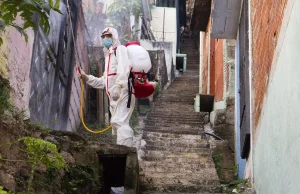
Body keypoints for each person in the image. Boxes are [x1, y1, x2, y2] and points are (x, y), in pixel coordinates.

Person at [77, 27, 136, 147]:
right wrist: (86, 77)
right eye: (103, 37)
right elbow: (104, 82)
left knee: (119, 122)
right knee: (115, 126)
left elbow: (124, 69)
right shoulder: (108, 57)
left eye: (108, 36)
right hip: (114, 97)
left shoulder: (120, 49)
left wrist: (119, 86)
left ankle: (126, 152)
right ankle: (119, 151)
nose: (105, 39)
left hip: (124, 92)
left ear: (114, 36)